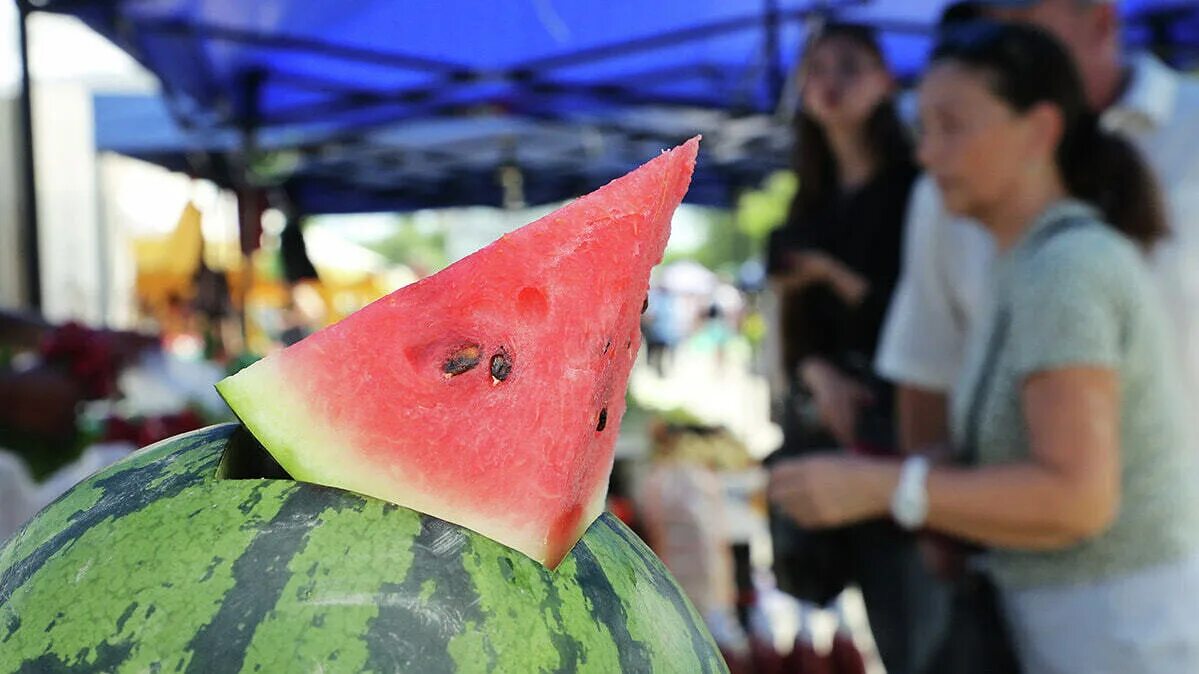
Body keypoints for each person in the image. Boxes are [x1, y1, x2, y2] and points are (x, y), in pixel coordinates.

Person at [769, 21, 1199, 673]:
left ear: (1039, 131)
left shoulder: (1065, 270)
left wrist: (889, 486)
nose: (926, 154)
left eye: (952, 126)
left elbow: (1076, 497)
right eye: (925, 128)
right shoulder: (1030, 263)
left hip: (1123, 640)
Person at [876, 0, 1199, 460]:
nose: (992, 44)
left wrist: (888, 490)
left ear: (1101, 21)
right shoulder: (949, 188)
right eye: (983, 24)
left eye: (1018, 25)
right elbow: (926, 372)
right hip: (1021, 523)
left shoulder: (1068, 256)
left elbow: (1075, 495)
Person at [763, 23, 947, 674]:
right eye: (816, 69)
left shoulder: (915, 189)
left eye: (849, 65)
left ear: (885, 80)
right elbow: (792, 323)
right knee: (884, 622)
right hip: (836, 437)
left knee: (924, 625)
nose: (830, 82)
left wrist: (830, 276)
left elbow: (922, 314)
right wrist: (818, 374)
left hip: (913, 435)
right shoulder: (806, 202)